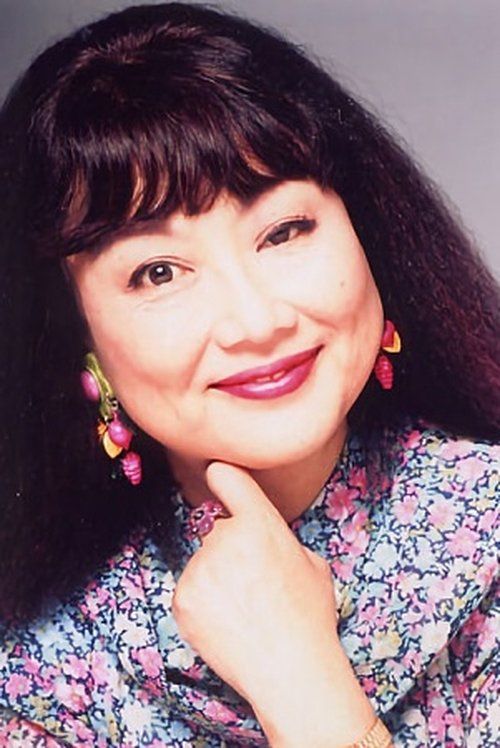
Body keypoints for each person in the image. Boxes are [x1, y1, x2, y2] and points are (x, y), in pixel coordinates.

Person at [0, 2, 498, 746]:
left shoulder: (487, 529)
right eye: (158, 272)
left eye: (283, 231)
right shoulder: (38, 670)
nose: (257, 322)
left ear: (369, 236)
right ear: (78, 340)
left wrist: (301, 683)